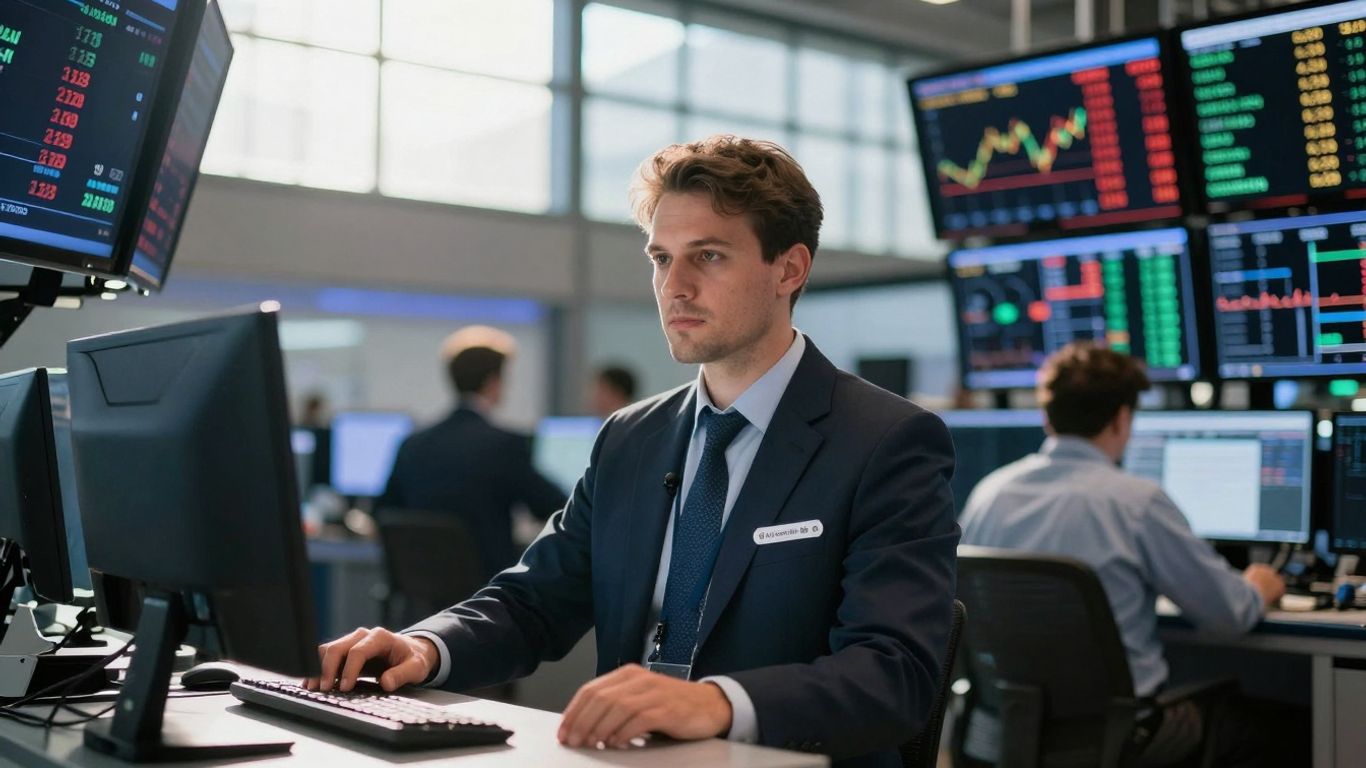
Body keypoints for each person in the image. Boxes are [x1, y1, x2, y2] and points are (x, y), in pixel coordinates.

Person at [310, 136, 959, 767]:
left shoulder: (885, 441)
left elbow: (894, 674)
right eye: (660, 258)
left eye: (707, 256)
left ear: (788, 269)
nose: (673, 286)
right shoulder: (630, 438)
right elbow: (536, 601)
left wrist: (715, 705)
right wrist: (426, 645)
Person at [959, 343, 1289, 766]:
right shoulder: (1137, 502)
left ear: (1047, 415)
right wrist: (1258, 588)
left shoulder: (989, 493)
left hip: (1007, 730)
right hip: (1120, 736)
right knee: (1277, 727)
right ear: (1123, 418)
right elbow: (1229, 615)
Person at [377, 325, 566, 582]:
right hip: (486, 599)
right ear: (493, 382)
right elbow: (552, 506)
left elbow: (384, 511)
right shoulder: (504, 444)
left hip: (422, 599)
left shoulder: (412, 443)